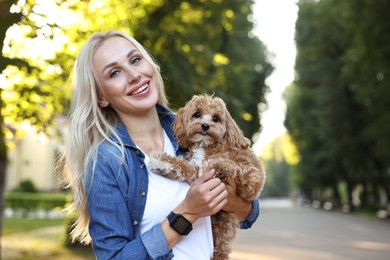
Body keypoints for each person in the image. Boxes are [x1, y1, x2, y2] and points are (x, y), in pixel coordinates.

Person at [63, 30, 260, 259]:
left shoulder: (191, 132)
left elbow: (249, 212)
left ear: (150, 66)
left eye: (135, 60)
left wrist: (229, 198)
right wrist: (187, 212)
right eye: (115, 73)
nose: (134, 75)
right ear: (101, 96)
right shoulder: (107, 162)